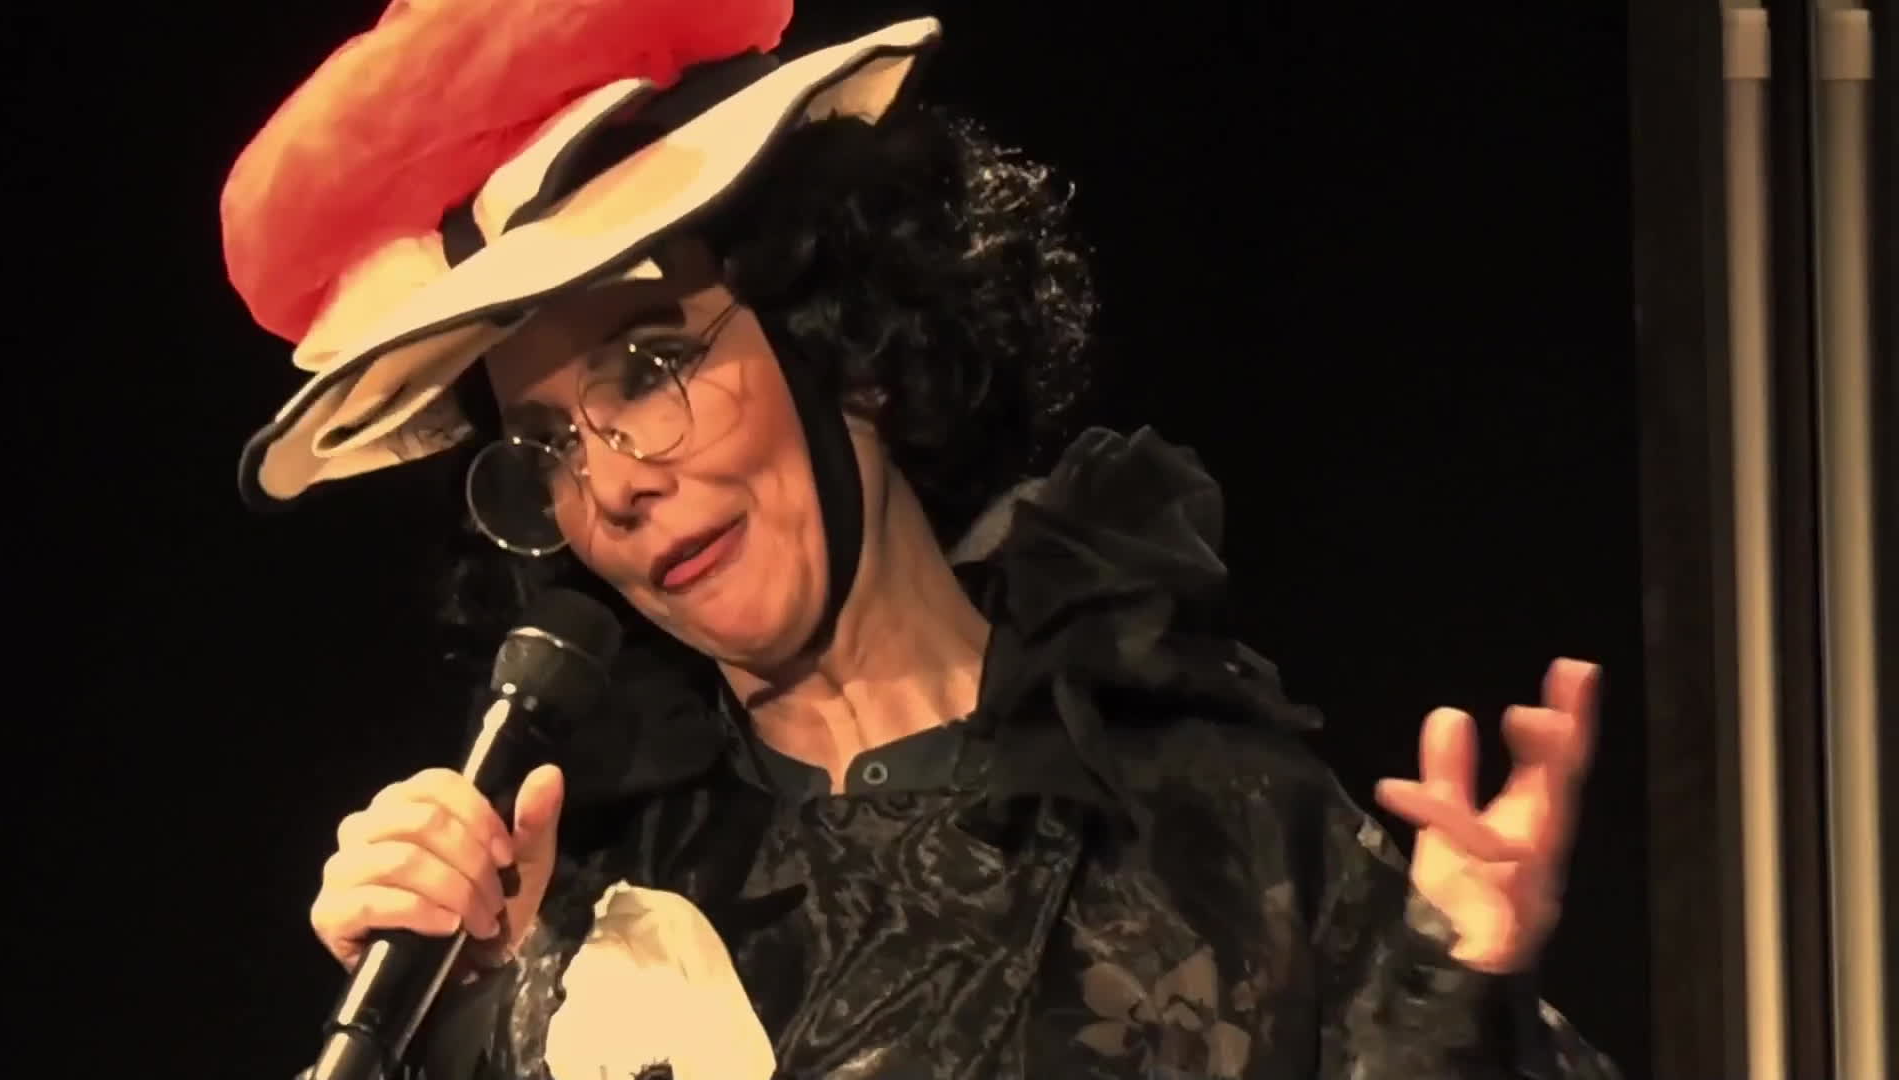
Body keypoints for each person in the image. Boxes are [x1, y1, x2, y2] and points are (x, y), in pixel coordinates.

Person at [223, 2, 1625, 1077]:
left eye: (649, 369)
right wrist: (476, 1016)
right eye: (544, 449)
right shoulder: (582, 903)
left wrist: (1462, 1005)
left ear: (846, 343)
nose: (612, 488)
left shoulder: (1214, 823)